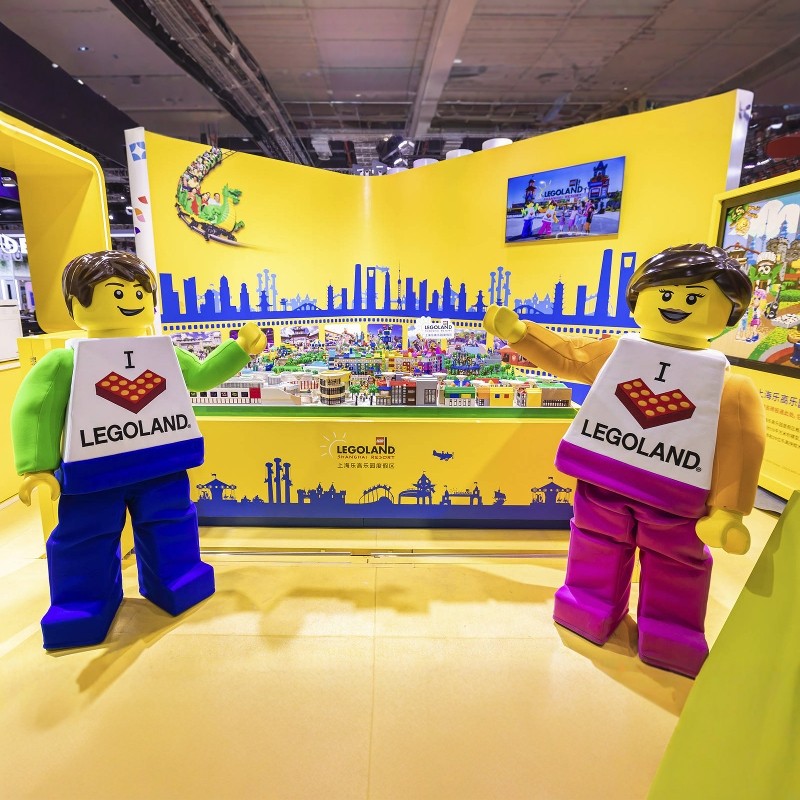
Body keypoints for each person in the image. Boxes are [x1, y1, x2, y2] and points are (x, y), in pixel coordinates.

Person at [483, 244, 764, 677]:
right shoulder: (619, 354)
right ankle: (589, 605)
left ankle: (671, 632)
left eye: (695, 297)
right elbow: (569, 356)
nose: (676, 304)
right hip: (604, 483)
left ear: (731, 311)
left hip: (675, 499)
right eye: (665, 293)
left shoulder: (728, 385)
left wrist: (729, 510)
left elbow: (739, 447)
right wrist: (521, 333)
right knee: (594, 545)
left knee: (676, 564)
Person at [11, 251, 267, 650]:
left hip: (160, 462)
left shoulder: (162, 353)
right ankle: (83, 603)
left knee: (170, 523)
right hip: (94, 471)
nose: (131, 300)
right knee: (86, 537)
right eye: (117, 292)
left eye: (139, 292)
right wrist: (37, 465)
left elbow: (201, 376)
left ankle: (177, 577)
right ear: (77, 303)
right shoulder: (65, 362)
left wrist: (239, 349)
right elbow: (35, 408)